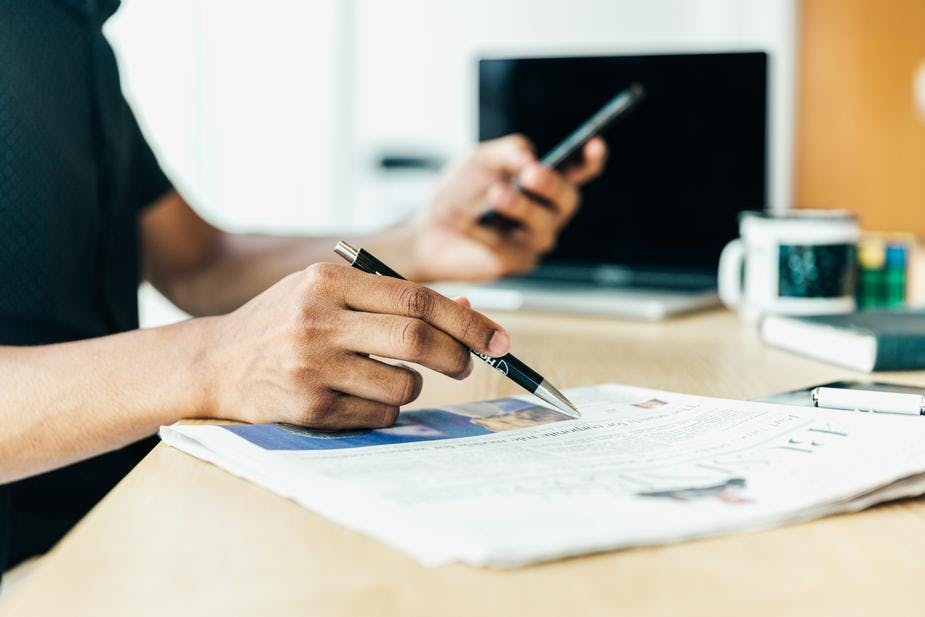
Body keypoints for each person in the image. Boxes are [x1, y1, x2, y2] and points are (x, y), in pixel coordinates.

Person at [0, 0, 607, 577]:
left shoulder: (74, 31)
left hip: (114, 520)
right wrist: (216, 359)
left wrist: (420, 241)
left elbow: (199, 263)